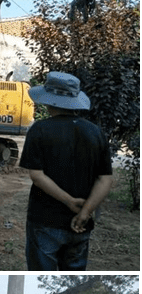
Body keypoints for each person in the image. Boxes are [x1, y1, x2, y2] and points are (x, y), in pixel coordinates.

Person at [19, 71, 113, 271]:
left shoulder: (39, 130)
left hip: (45, 220)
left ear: (48, 101)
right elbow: (105, 179)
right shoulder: (96, 133)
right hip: (80, 223)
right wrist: (85, 212)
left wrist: (69, 201)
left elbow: (37, 175)